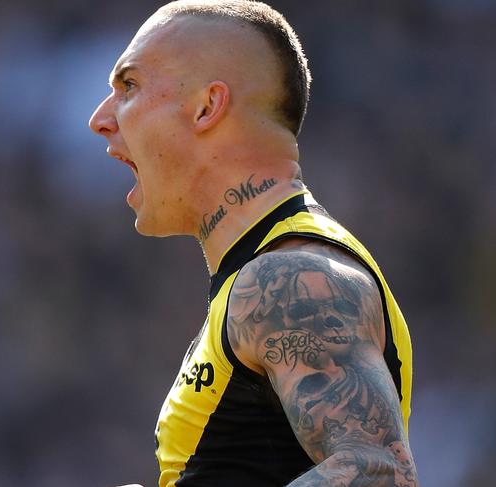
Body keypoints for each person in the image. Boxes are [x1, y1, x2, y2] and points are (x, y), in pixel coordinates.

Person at [89, 1, 418, 485]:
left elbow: (379, 473)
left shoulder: (288, 281)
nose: (99, 119)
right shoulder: (265, 276)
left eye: (129, 86)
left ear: (206, 107)